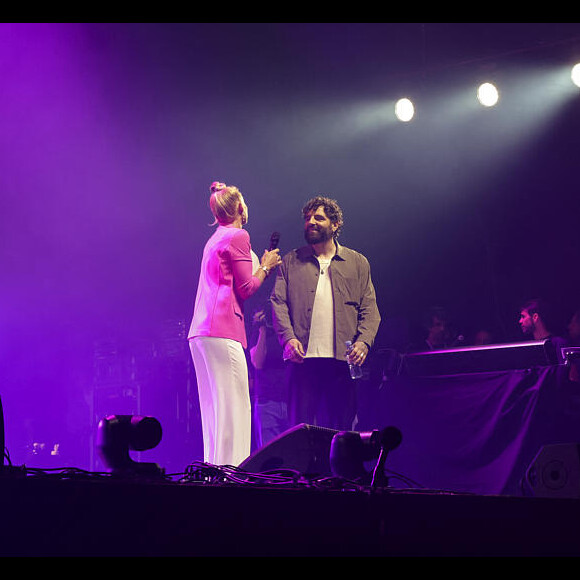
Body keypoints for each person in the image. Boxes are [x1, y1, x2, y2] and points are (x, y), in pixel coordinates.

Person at [188, 181, 281, 466]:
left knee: (215, 409)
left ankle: (215, 469)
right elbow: (246, 288)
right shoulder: (239, 235)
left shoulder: (215, 238)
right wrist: (266, 266)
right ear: (241, 207)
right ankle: (234, 472)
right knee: (235, 406)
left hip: (202, 331)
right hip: (222, 328)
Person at [271, 195, 380, 432]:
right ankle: (303, 471)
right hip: (302, 362)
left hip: (342, 362)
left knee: (341, 432)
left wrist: (363, 343)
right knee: (299, 431)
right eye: (307, 218)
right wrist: (288, 338)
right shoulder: (291, 261)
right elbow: (278, 302)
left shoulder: (357, 262)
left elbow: (370, 309)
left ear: (335, 224)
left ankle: (340, 471)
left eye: (318, 217)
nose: (311, 222)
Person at [249, 302, 289, 448]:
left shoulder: (288, 333)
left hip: (290, 400)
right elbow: (258, 363)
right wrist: (262, 330)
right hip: (267, 403)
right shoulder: (258, 334)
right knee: (269, 455)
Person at [518, 298, 568, 363]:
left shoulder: (557, 343)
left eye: (523, 317)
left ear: (535, 317)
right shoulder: (529, 346)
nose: (520, 321)